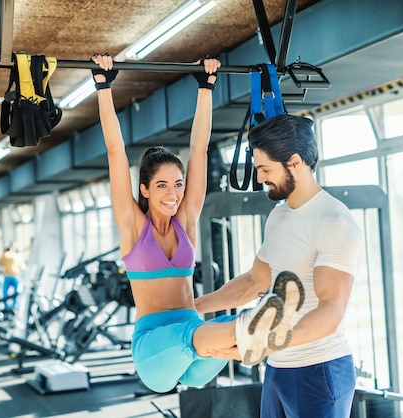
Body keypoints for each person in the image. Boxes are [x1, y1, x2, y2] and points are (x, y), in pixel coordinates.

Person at [91, 53, 303, 394]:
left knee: (217, 330)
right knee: (207, 333)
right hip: (155, 350)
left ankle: (256, 332)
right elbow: (116, 151)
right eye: (162, 185)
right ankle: (254, 326)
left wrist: (207, 87)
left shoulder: (185, 221)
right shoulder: (132, 225)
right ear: (144, 189)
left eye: (177, 184)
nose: (173, 194)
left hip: (197, 349)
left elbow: (199, 150)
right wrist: (103, 86)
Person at [195, 114, 364, 418]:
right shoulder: (279, 215)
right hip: (278, 369)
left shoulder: (334, 221)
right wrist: (194, 306)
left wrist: (263, 343)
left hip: (319, 370)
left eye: (265, 169)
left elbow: (331, 312)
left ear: (295, 162)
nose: (259, 178)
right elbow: (253, 282)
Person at [0, 241, 25, 310]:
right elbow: (22, 267)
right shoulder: (12, 255)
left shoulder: (7, 255)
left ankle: (11, 307)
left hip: (13, 276)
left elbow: (0, 265)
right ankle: (11, 307)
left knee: (11, 293)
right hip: (11, 276)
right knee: (11, 293)